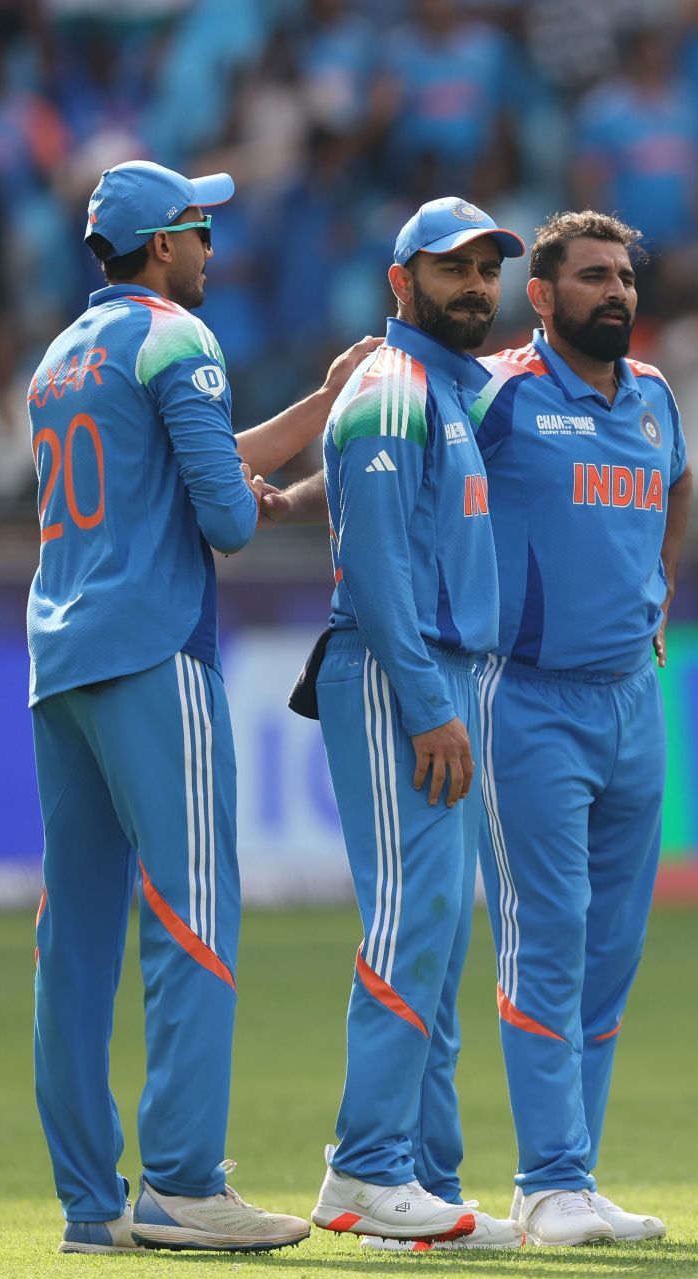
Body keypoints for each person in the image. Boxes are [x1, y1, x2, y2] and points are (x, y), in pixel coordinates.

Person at [28, 159, 375, 1256]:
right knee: (191, 914)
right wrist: (267, 496)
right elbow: (223, 520)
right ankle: (181, 1181)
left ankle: (93, 1201)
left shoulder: (60, 355)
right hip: (153, 648)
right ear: (163, 244)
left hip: (62, 653)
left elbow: (172, 475)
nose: (213, 250)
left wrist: (317, 409)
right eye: (201, 231)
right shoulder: (183, 339)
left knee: (75, 937)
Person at [283, 197, 526, 1249]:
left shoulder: (440, 389)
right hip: (401, 676)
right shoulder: (391, 390)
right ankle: (363, 1169)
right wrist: (431, 704)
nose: (475, 286)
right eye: (451, 269)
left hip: (438, 673)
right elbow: (375, 570)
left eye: (486, 269)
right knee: (411, 922)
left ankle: (426, 1175)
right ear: (400, 283)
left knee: (435, 930)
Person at [468, 210, 691, 1245]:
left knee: (614, 949)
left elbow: (679, 485)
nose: (618, 293)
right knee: (546, 936)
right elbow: (406, 470)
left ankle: (577, 1176)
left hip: (631, 700)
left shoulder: (653, 400)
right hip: (528, 699)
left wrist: (662, 587)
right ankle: (545, 1179)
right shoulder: (502, 396)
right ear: (542, 297)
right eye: (594, 278)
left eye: (626, 279)